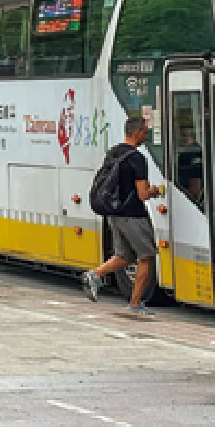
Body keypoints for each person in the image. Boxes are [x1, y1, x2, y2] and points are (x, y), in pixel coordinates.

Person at [80, 115, 163, 317]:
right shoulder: (137, 159)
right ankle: (135, 304)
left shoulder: (114, 153)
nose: (146, 136)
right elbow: (142, 194)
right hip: (133, 215)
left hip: (114, 213)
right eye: (145, 132)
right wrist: (156, 191)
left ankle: (94, 274)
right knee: (146, 257)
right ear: (135, 133)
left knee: (124, 256)